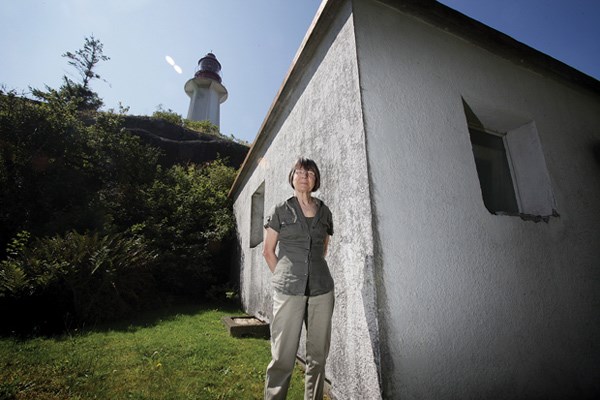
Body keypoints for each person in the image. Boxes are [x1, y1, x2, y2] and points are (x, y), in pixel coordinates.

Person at [263, 157, 335, 400]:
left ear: (316, 180)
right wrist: (286, 276)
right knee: (283, 355)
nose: (304, 175)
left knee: (317, 356)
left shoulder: (325, 212)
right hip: (288, 291)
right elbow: (268, 251)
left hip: (322, 291)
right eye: (299, 171)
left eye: (310, 172)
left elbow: (323, 249)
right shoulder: (280, 210)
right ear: (292, 177)